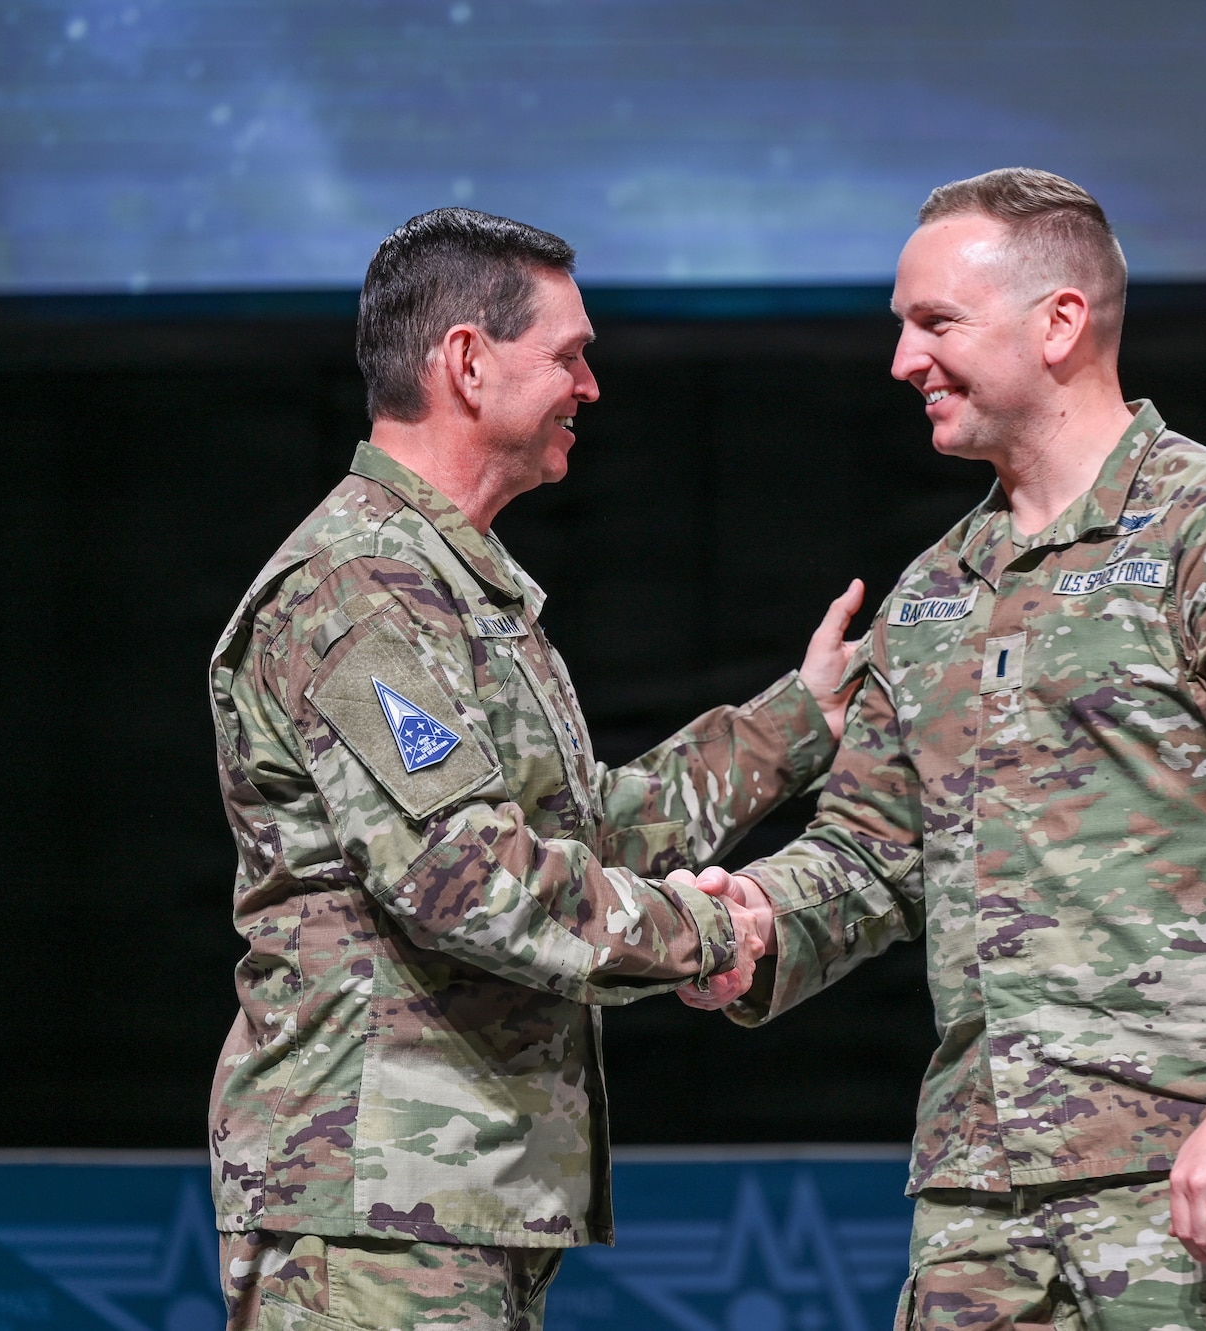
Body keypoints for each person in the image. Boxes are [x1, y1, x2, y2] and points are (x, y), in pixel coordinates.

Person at [677, 169, 1206, 1330]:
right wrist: (753, 927)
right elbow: (870, 856)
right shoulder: (929, 595)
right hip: (983, 1206)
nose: (902, 362)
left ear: (1058, 322)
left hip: (1196, 1169)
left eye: (935, 324)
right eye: (901, 328)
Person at [207, 207, 863, 1331]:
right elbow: (472, 878)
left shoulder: (456, 584)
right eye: (568, 354)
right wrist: (711, 934)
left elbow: (582, 834)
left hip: (456, 1195)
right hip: (375, 1212)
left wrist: (796, 722)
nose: (590, 387)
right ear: (465, 360)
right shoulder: (355, 587)